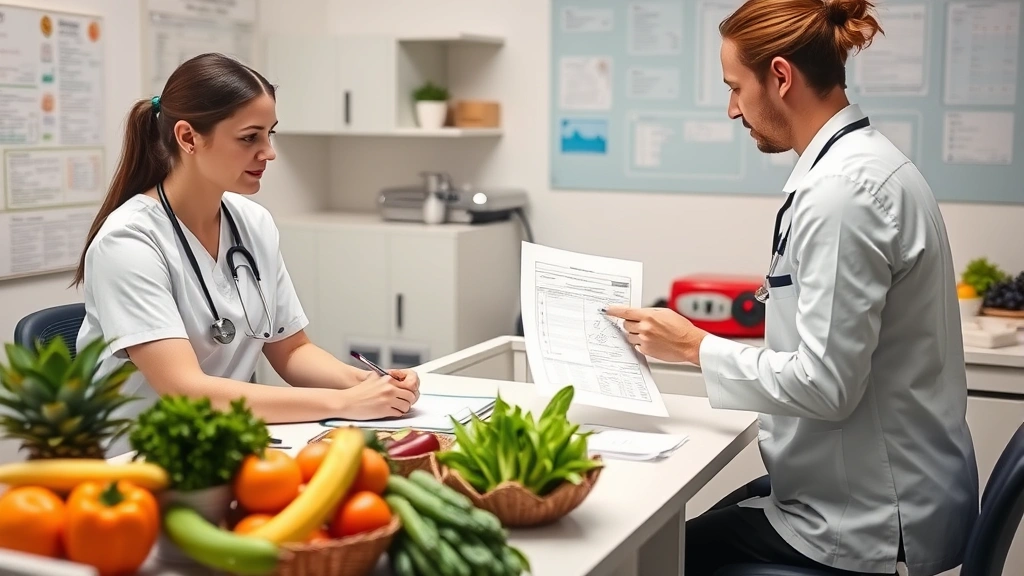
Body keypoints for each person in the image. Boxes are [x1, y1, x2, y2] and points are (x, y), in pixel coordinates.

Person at [604, 1, 979, 575]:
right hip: (863, 487)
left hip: (872, 519)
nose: (733, 109)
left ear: (780, 76)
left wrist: (693, 347)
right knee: (677, 535)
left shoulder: (843, 194)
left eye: (735, 88)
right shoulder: (861, 167)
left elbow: (827, 386)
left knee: (652, 559)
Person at [73, 53, 420, 451]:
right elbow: (186, 390)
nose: (269, 152)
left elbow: (292, 350)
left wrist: (369, 383)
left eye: (270, 134)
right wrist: (345, 403)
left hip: (223, 442)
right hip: (137, 457)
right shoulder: (128, 242)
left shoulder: (252, 223)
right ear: (188, 138)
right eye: (249, 137)